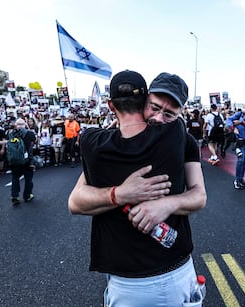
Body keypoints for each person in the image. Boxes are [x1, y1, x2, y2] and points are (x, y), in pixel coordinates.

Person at [68, 71, 206, 306]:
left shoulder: (181, 138)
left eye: (170, 114)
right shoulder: (106, 145)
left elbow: (199, 195)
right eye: (155, 107)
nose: (160, 118)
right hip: (124, 278)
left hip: (172, 269)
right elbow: (75, 201)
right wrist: (120, 193)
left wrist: (167, 204)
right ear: (144, 100)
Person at [9, 118, 36, 205]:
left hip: (14, 160)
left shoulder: (10, 133)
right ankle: (27, 195)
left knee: (15, 178)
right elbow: (31, 148)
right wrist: (32, 162)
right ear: (25, 125)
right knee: (28, 178)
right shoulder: (30, 134)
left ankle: (15, 196)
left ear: (16, 125)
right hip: (26, 160)